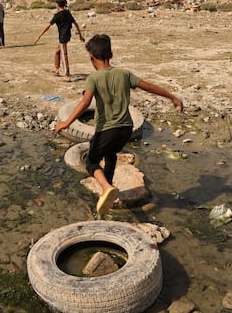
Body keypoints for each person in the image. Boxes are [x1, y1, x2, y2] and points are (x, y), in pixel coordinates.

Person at [54, 34, 183, 217]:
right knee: (110, 155)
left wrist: (66, 123)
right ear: (111, 54)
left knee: (90, 161)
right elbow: (149, 86)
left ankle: (107, 188)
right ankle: (108, 195)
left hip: (107, 129)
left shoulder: (94, 78)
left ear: (91, 57)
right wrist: (173, 97)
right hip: (125, 130)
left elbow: (84, 103)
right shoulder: (124, 74)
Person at [34, 0, 84, 82]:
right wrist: (80, 35)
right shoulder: (68, 12)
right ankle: (56, 69)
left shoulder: (57, 15)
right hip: (67, 35)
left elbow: (48, 26)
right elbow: (75, 23)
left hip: (63, 37)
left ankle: (67, 75)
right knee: (58, 51)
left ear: (57, 5)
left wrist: (39, 36)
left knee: (64, 55)